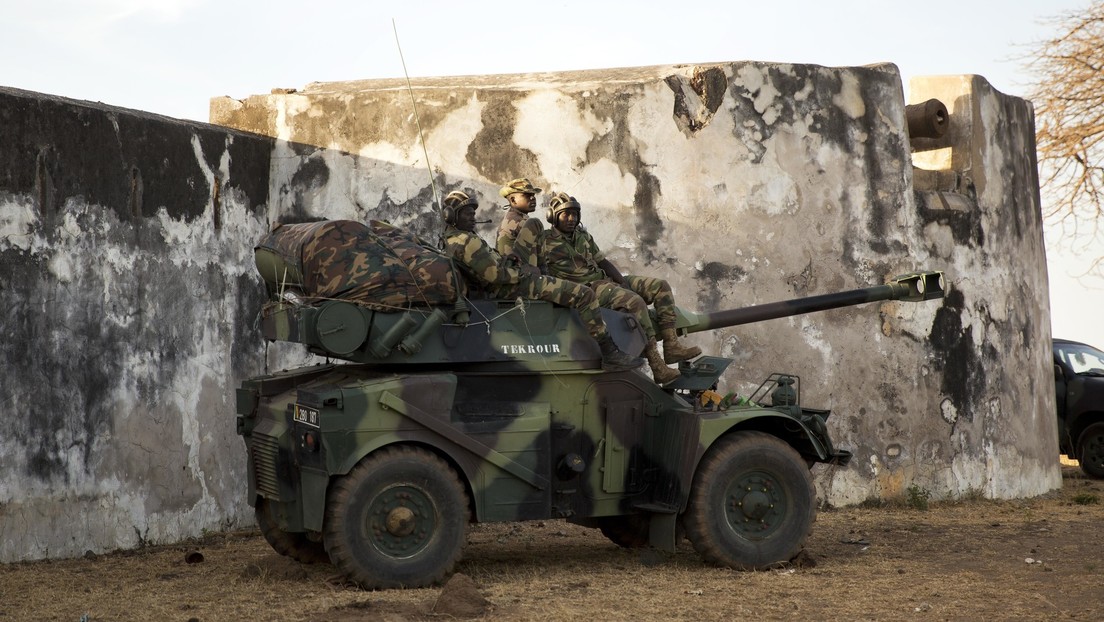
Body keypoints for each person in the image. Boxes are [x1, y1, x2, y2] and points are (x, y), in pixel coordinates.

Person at [440, 190, 643, 372]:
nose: (473, 217)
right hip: (508, 286)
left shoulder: (455, 238)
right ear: (451, 215)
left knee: (534, 224)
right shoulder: (467, 241)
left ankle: (545, 277)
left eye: (472, 213)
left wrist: (507, 261)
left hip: (507, 276)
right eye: (467, 213)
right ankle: (610, 354)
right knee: (585, 295)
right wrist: (523, 274)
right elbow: (495, 276)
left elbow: (491, 267)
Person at [529, 192, 701, 385]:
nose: (571, 219)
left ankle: (671, 346)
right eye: (565, 214)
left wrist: (622, 282)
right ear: (553, 216)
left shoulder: (583, 236)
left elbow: (602, 261)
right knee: (634, 303)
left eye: (574, 214)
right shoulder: (544, 240)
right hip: (585, 289)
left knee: (659, 286)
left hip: (604, 281)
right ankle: (657, 366)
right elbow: (538, 271)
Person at [495, 177, 544, 262]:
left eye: (533, 195)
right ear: (513, 200)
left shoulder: (510, 218)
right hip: (518, 271)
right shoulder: (522, 222)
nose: (533, 198)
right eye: (527, 195)